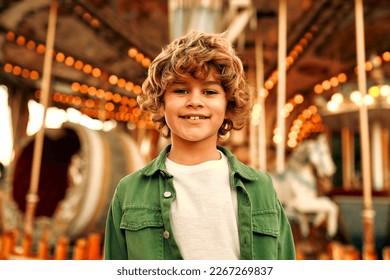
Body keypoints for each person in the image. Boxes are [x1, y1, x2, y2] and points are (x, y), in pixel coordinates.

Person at [103, 30, 296, 260]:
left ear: (228, 104)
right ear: (161, 102)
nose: (195, 101)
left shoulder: (261, 188)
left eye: (209, 91)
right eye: (181, 90)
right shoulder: (129, 191)